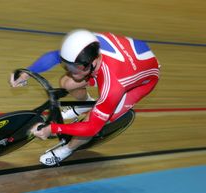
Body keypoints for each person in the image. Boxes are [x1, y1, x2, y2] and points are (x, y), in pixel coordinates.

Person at [9, 29, 160, 166]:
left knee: (91, 121)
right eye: (68, 66)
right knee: (66, 82)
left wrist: (54, 128)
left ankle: (67, 150)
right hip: (125, 60)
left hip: (137, 82)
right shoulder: (84, 46)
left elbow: (91, 128)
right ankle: (88, 104)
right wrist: (27, 72)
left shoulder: (114, 85)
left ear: (93, 62)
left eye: (77, 68)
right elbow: (54, 56)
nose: (72, 71)